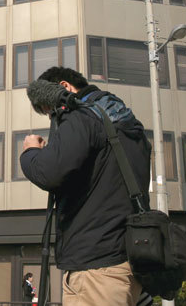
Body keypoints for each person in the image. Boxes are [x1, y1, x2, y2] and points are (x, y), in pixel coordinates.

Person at [20, 67, 150, 306]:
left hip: (96, 266)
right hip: (127, 260)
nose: (52, 118)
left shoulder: (82, 116)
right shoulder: (126, 122)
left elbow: (49, 173)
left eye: (50, 111)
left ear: (64, 87)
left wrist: (31, 152)